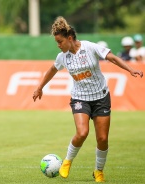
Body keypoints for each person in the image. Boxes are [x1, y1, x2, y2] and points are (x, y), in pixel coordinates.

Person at [32, 16, 143, 182]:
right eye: (57, 42)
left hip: (101, 97)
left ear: (70, 38)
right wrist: (39, 87)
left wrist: (130, 69)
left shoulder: (90, 47)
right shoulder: (62, 56)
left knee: (103, 138)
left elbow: (111, 57)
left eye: (60, 41)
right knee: (82, 132)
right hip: (80, 99)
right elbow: (51, 70)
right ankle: (67, 162)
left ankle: (98, 171)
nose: (58, 45)